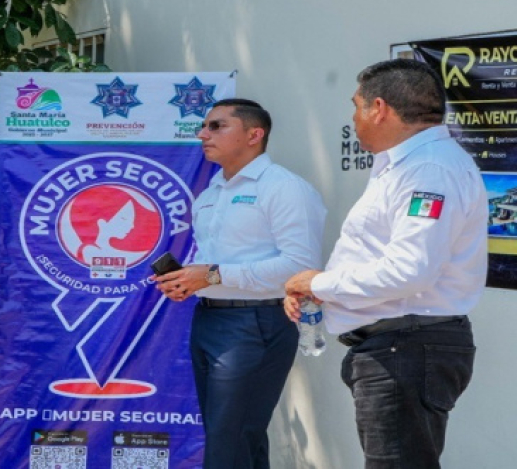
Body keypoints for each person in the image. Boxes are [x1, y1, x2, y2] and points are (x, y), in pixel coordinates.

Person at [284, 59, 487, 468]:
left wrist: (319, 284)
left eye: (355, 106)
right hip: (400, 345)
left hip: (405, 347)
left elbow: (410, 271)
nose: (353, 118)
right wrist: (328, 292)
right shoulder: (411, 165)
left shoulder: (428, 169)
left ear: (378, 108)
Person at [154, 98, 326, 468]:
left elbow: (300, 268)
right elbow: (218, 262)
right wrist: (190, 281)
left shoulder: (284, 188)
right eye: (204, 126)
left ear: (254, 135)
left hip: (257, 322)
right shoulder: (211, 192)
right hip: (209, 318)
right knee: (235, 440)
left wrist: (212, 275)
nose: (203, 134)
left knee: (229, 442)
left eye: (217, 126)